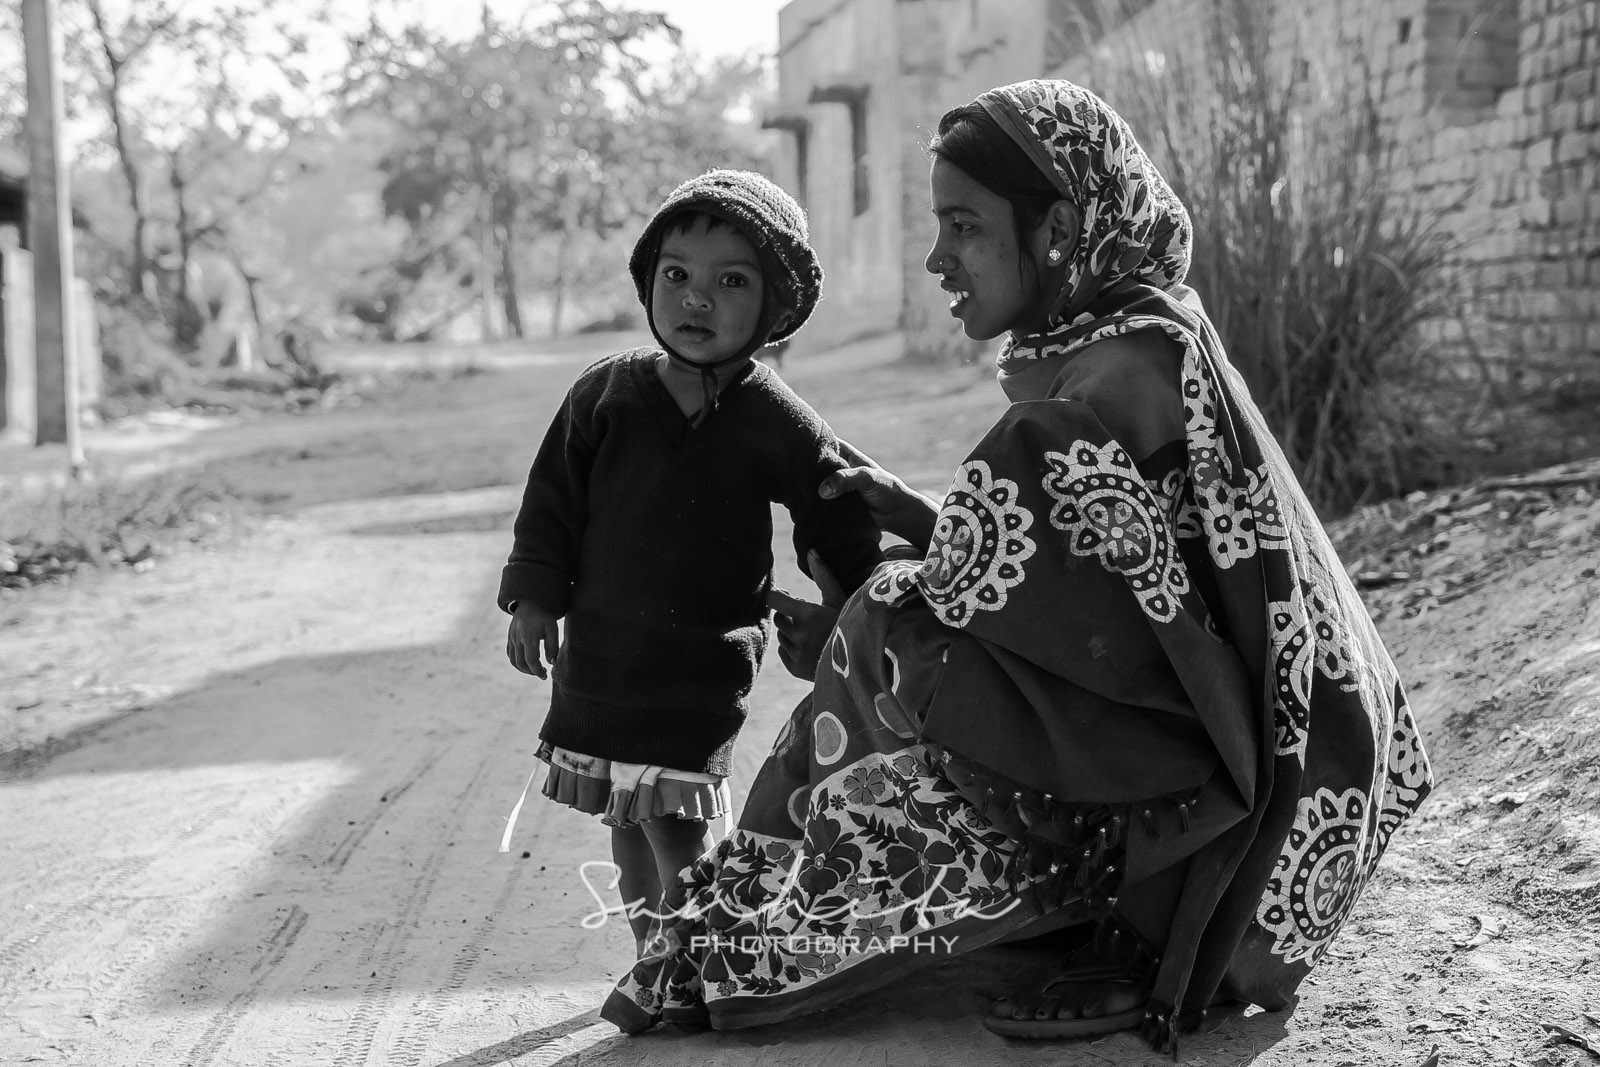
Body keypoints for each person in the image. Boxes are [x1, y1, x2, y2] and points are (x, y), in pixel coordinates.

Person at [598, 81, 1434, 1050]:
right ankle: (832, 920)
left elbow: (1063, 621)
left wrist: (866, 618)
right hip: (1272, 769)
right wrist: (929, 520)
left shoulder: (1108, 382)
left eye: (963, 227)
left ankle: (758, 941)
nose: (936, 257)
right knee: (894, 624)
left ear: (1058, 231)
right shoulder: (1143, 334)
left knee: (882, 631)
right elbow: (1104, 589)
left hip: (1215, 810)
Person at [498, 169, 883, 956]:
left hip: (699, 667)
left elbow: (831, 505)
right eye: (677, 275)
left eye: (730, 281)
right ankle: (656, 956)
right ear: (649, 281)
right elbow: (550, 506)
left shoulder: (774, 417)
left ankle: (694, 956)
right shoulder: (602, 395)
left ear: (774, 309)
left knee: (678, 822)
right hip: (603, 662)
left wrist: (851, 602)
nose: (696, 299)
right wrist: (534, 599)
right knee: (629, 824)